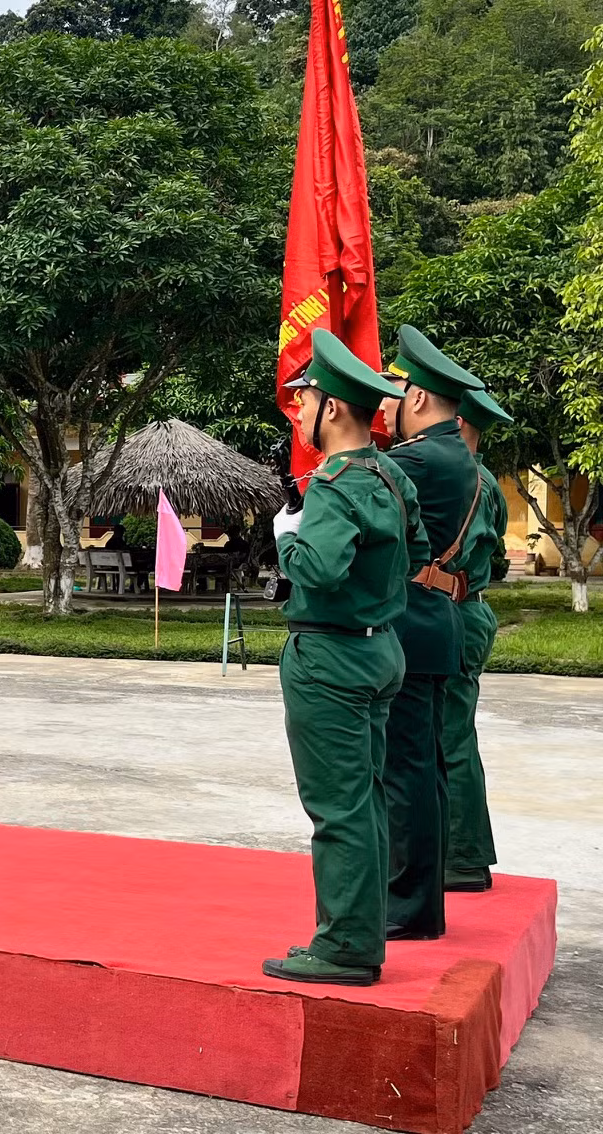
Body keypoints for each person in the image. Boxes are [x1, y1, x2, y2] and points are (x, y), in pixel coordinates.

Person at [261, 330, 414, 987]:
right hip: (379, 648)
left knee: (339, 808)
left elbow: (318, 571)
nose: (297, 410)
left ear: (335, 408)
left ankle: (347, 946)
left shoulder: (334, 484)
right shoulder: (390, 474)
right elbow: (418, 548)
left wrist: (287, 539)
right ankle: (361, 931)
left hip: (330, 656)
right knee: (366, 801)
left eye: (306, 399)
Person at [375, 327, 484, 944]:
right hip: (432, 622)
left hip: (411, 624)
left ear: (415, 397)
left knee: (406, 772)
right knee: (424, 769)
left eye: (389, 392)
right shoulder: (452, 453)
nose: (381, 405)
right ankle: (421, 901)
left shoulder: (417, 459)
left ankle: (409, 905)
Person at [443, 386, 513, 894]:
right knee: (454, 734)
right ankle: (462, 854)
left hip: (457, 611)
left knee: (451, 737)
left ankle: (463, 858)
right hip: (469, 609)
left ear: (457, 422)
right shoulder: (483, 480)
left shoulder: (465, 480)